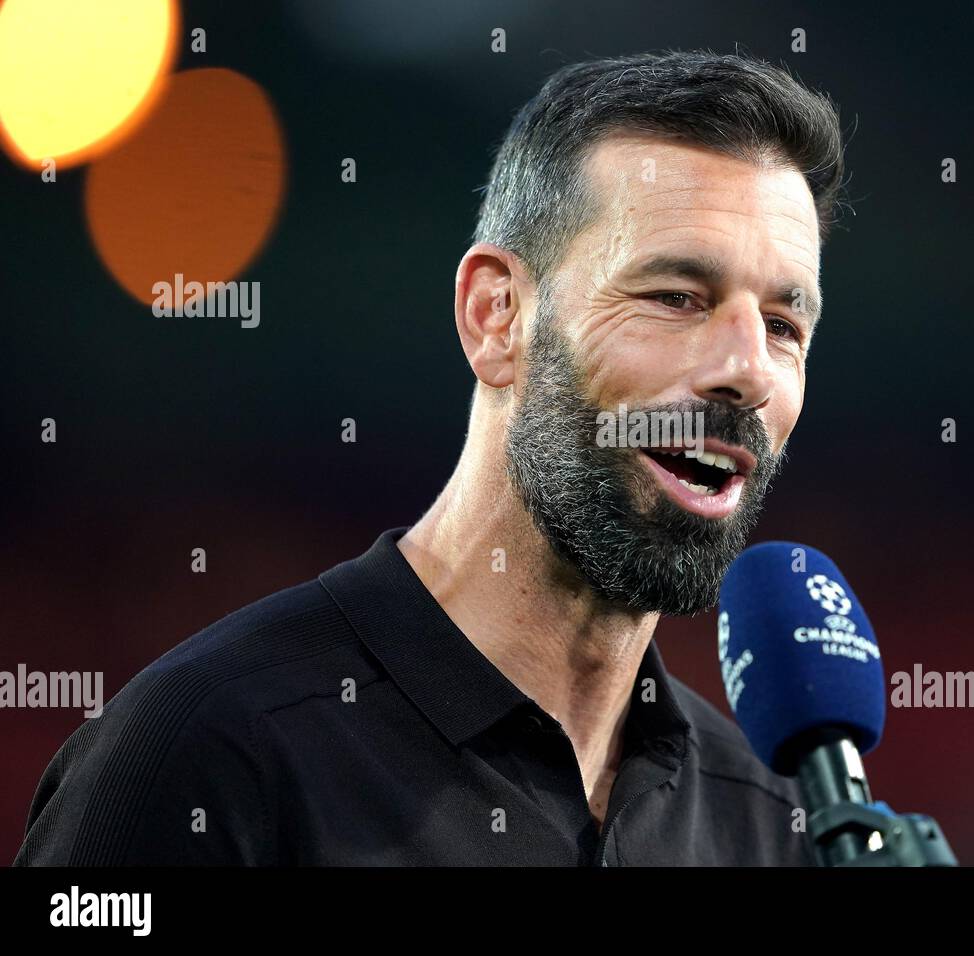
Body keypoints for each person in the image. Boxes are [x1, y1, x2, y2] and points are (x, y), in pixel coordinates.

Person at [16, 48, 846, 866]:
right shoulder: (205, 755)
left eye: (783, 326)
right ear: (496, 316)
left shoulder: (770, 824)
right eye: (675, 298)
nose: (746, 372)